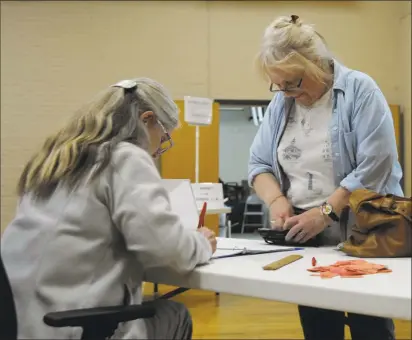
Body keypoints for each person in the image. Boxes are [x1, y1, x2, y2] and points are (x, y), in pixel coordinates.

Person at [1, 77, 217, 339]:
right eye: (164, 138)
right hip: (73, 326)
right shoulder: (124, 156)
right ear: (147, 119)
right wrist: (202, 242)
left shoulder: (56, 159)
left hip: (22, 324)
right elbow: (168, 250)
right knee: (175, 315)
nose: (160, 150)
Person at [249, 14, 402, 340]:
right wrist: (277, 200)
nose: (288, 93)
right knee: (319, 328)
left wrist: (326, 212)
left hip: (365, 234)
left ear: (317, 63)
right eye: (280, 85)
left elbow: (376, 166)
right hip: (310, 238)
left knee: (370, 327)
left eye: (294, 83)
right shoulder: (282, 103)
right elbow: (258, 164)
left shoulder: (360, 91)